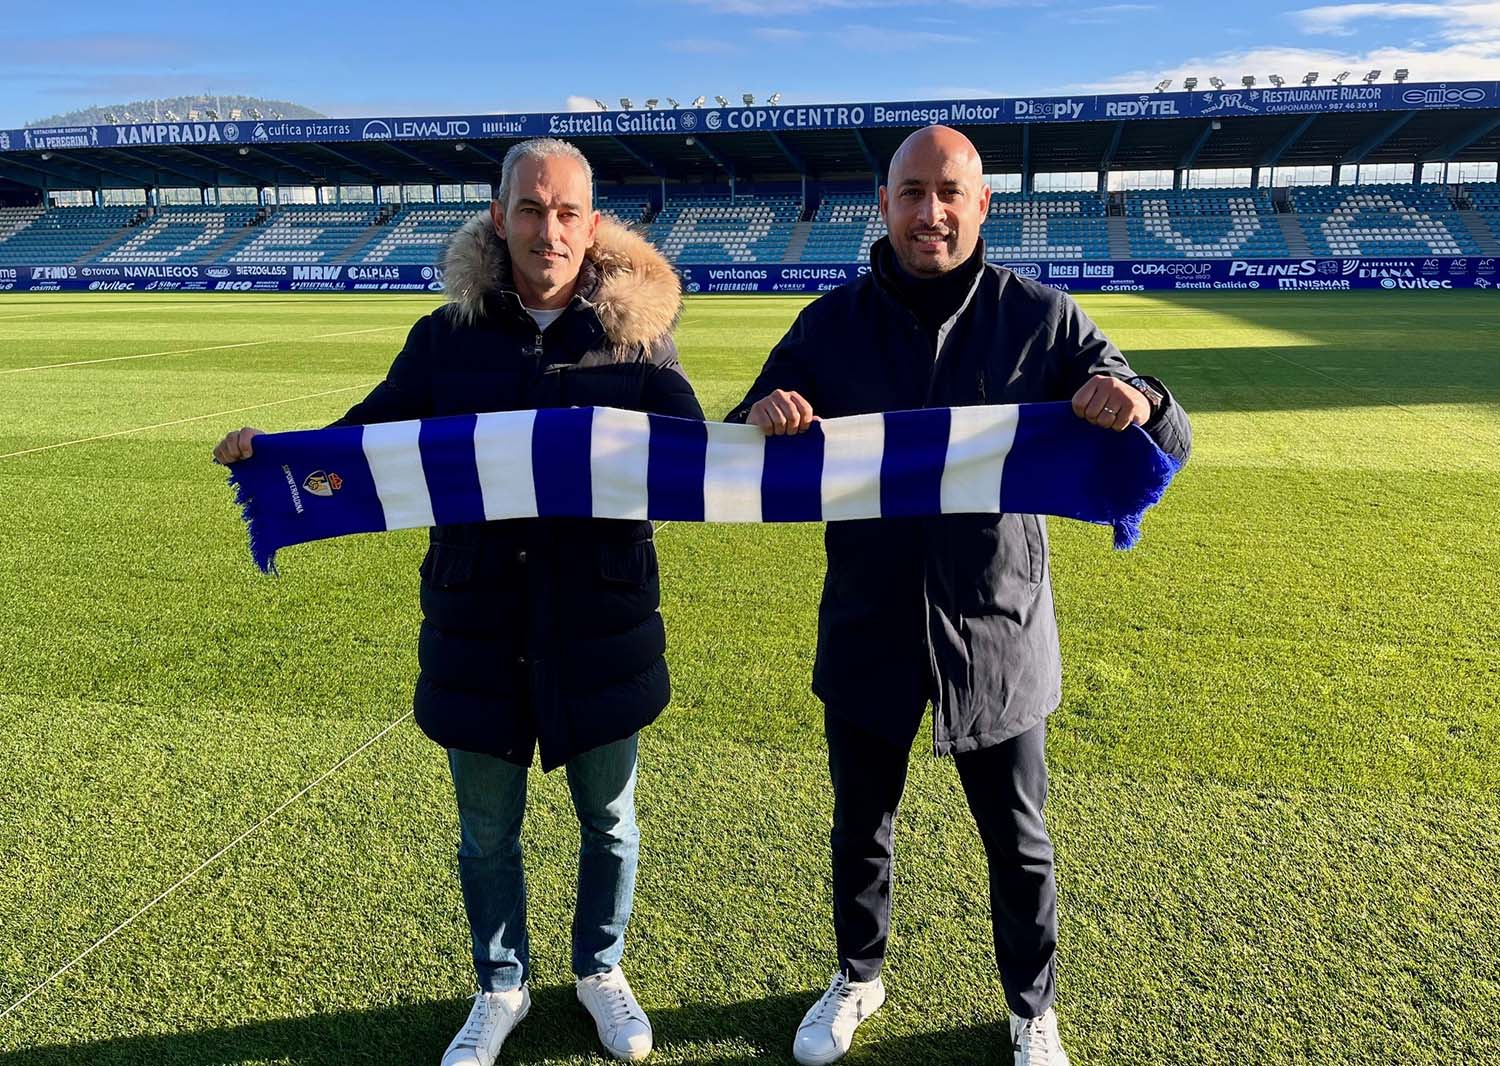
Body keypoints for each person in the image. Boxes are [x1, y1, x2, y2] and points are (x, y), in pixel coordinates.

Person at [213, 138, 702, 1065]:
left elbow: (697, 458)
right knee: (487, 830)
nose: (548, 229)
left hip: (603, 621)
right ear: (499, 216)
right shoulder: (447, 336)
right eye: (530, 209)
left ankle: (601, 971)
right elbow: (367, 435)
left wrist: (777, 435)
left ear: (592, 225)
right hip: (477, 617)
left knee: (610, 821)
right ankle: (501, 986)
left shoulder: (638, 336)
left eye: (566, 213)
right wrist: (271, 453)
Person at [727, 125, 1191, 1066]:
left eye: (949, 192)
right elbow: (746, 430)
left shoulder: (1042, 318)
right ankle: (858, 976)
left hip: (999, 622)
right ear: (885, 203)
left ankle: (1031, 1007)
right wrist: (764, 412)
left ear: (982, 206)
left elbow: (1160, 425)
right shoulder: (830, 323)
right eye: (910, 192)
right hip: (868, 619)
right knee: (861, 825)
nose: (929, 212)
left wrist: (1135, 398)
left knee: (1019, 841)